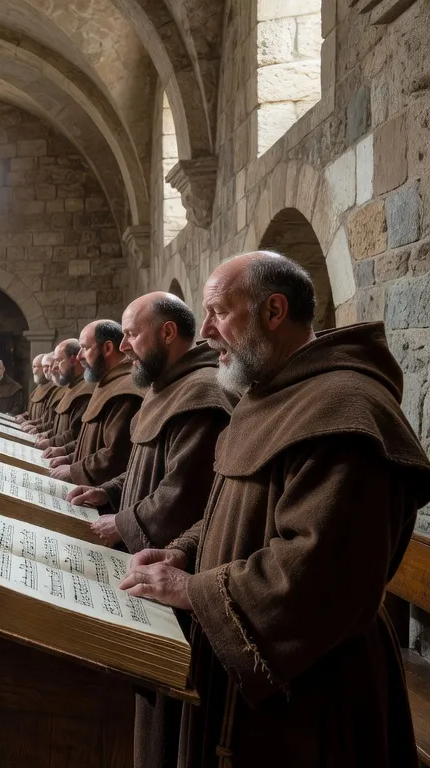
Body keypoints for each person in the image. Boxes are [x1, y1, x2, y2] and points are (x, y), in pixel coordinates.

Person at [120, 252, 430, 767]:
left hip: (312, 693)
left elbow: (317, 569)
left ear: (274, 311)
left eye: (219, 312)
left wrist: (192, 590)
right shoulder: (270, 395)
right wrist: (181, 552)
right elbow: (232, 512)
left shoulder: (344, 410)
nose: (208, 331)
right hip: (256, 667)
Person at [65, 292, 235, 768]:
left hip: (173, 571)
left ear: (166, 333)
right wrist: (109, 492)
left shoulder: (201, 393)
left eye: (133, 334)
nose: (124, 346)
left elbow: (181, 492)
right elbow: (143, 466)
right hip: (155, 560)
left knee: (168, 729)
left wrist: (124, 523)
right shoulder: (168, 385)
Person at [47, 320, 143, 485]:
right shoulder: (109, 383)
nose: (79, 356)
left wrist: (75, 470)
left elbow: (115, 455)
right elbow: (91, 441)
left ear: (107, 348)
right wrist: (69, 457)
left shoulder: (125, 390)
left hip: (100, 496)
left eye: (84, 348)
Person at [35, 339, 94, 451]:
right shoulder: (73, 385)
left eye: (58, 360)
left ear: (73, 359)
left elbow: (77, 432)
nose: (55, 367)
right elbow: (61, 425)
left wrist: (55, 445)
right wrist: (48, 435)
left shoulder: (86, 389)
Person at [16, 354, 56, 425]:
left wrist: (33, 425)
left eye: (35, 367)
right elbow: (30, 411)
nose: (33, 371)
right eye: (32, 367)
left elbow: (49, 418)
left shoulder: (54, 389)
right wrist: (23, 416)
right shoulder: (37, 388)